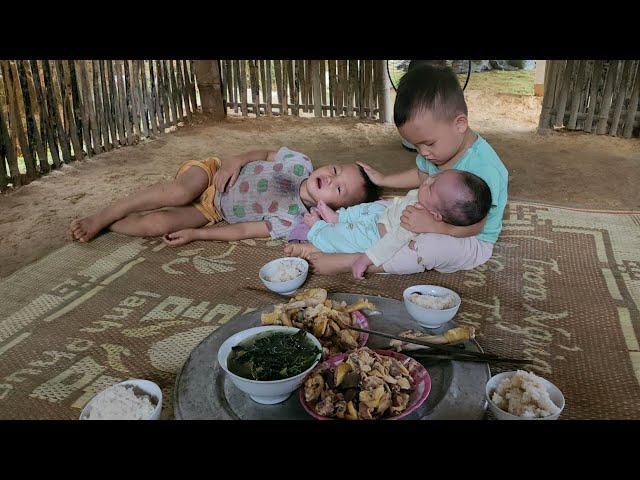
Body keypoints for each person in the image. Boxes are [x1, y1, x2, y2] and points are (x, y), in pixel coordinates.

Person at [289, 64, 508, 276]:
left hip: (467, 237)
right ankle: (341, 227)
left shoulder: (485, 168)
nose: (423, 153)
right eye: (416, 146)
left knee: (427, 248)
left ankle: (356, 261)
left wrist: (437, 227)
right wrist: (384, 180)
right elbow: (422, 175)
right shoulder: (439, 151)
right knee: (388, 206)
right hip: (433, 215)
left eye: (429, 144)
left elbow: (479, 225)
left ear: (460, 124)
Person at [70, 147, 379, 246]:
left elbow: (243, 230)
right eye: (337, 170)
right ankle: (106, 214)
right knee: (178, 193)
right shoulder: (300, 163)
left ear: (332, 208)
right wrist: (234, 162)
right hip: (210, 174)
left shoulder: (291, 219)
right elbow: (263, 152)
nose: (331, 177)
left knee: (159, 224)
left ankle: (110, 227)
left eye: (338, 189)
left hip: (213, 211)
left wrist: (196, 234)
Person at [286, 169, 491, 278]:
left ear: (435, 215)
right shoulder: (427, 199)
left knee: (343, 237)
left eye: (431, 187)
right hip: (384, 215)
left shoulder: (413, 220)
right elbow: (398, 202)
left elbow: (391, 242)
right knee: (370, 207)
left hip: (375, 235)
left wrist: (365, 259)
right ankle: (339, 218)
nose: (427, 181)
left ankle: (317, 232)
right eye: (435, 177)